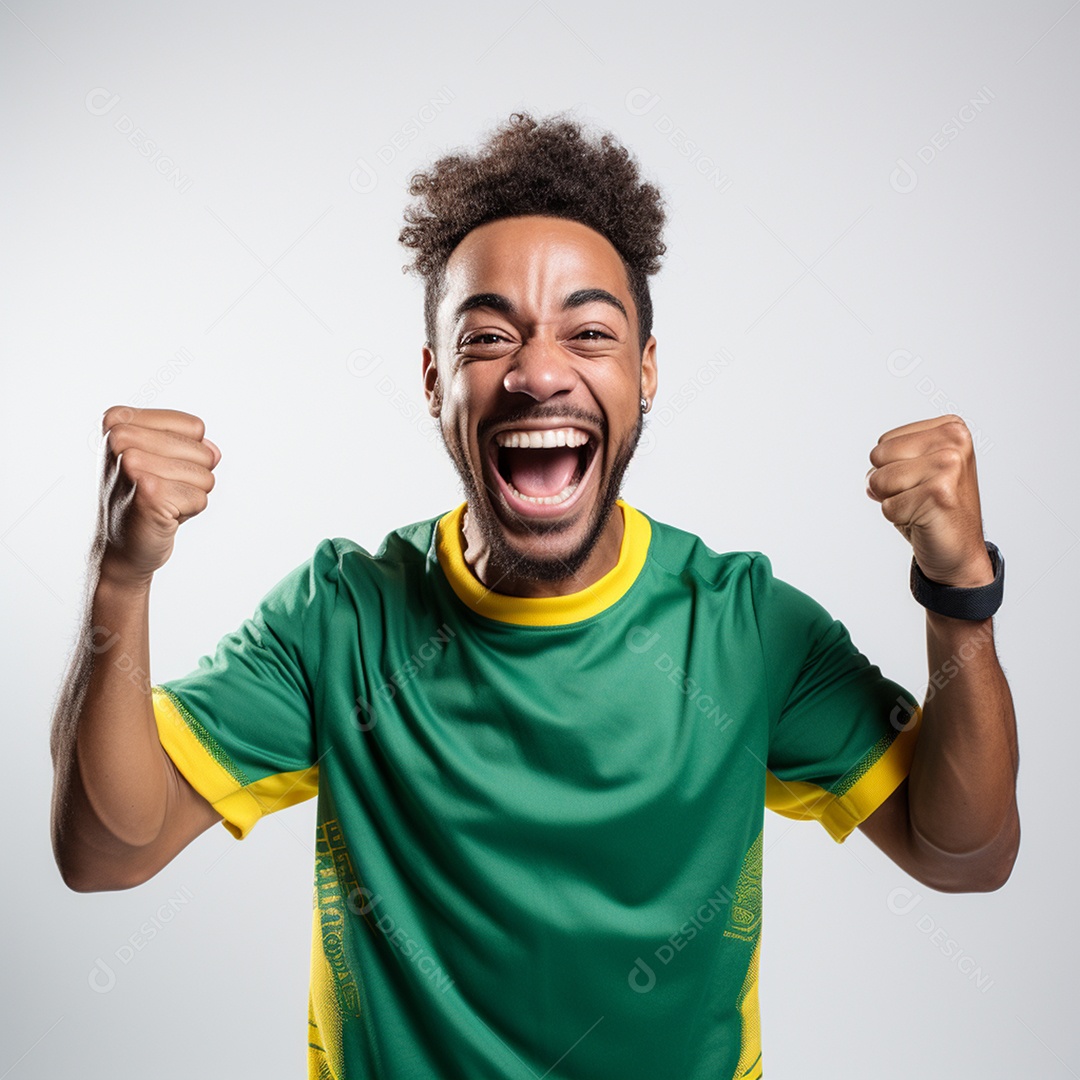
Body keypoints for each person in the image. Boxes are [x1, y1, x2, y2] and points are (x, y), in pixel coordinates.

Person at [50, 111, 1019, 1080]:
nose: (539, 371)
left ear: (645, 371)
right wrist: (120, 575)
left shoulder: (743, 628)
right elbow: (105, 852)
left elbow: (965, 854)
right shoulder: (341, 616)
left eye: (589, 331)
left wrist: (959, 590)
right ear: (434, 382)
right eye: (487, 336)